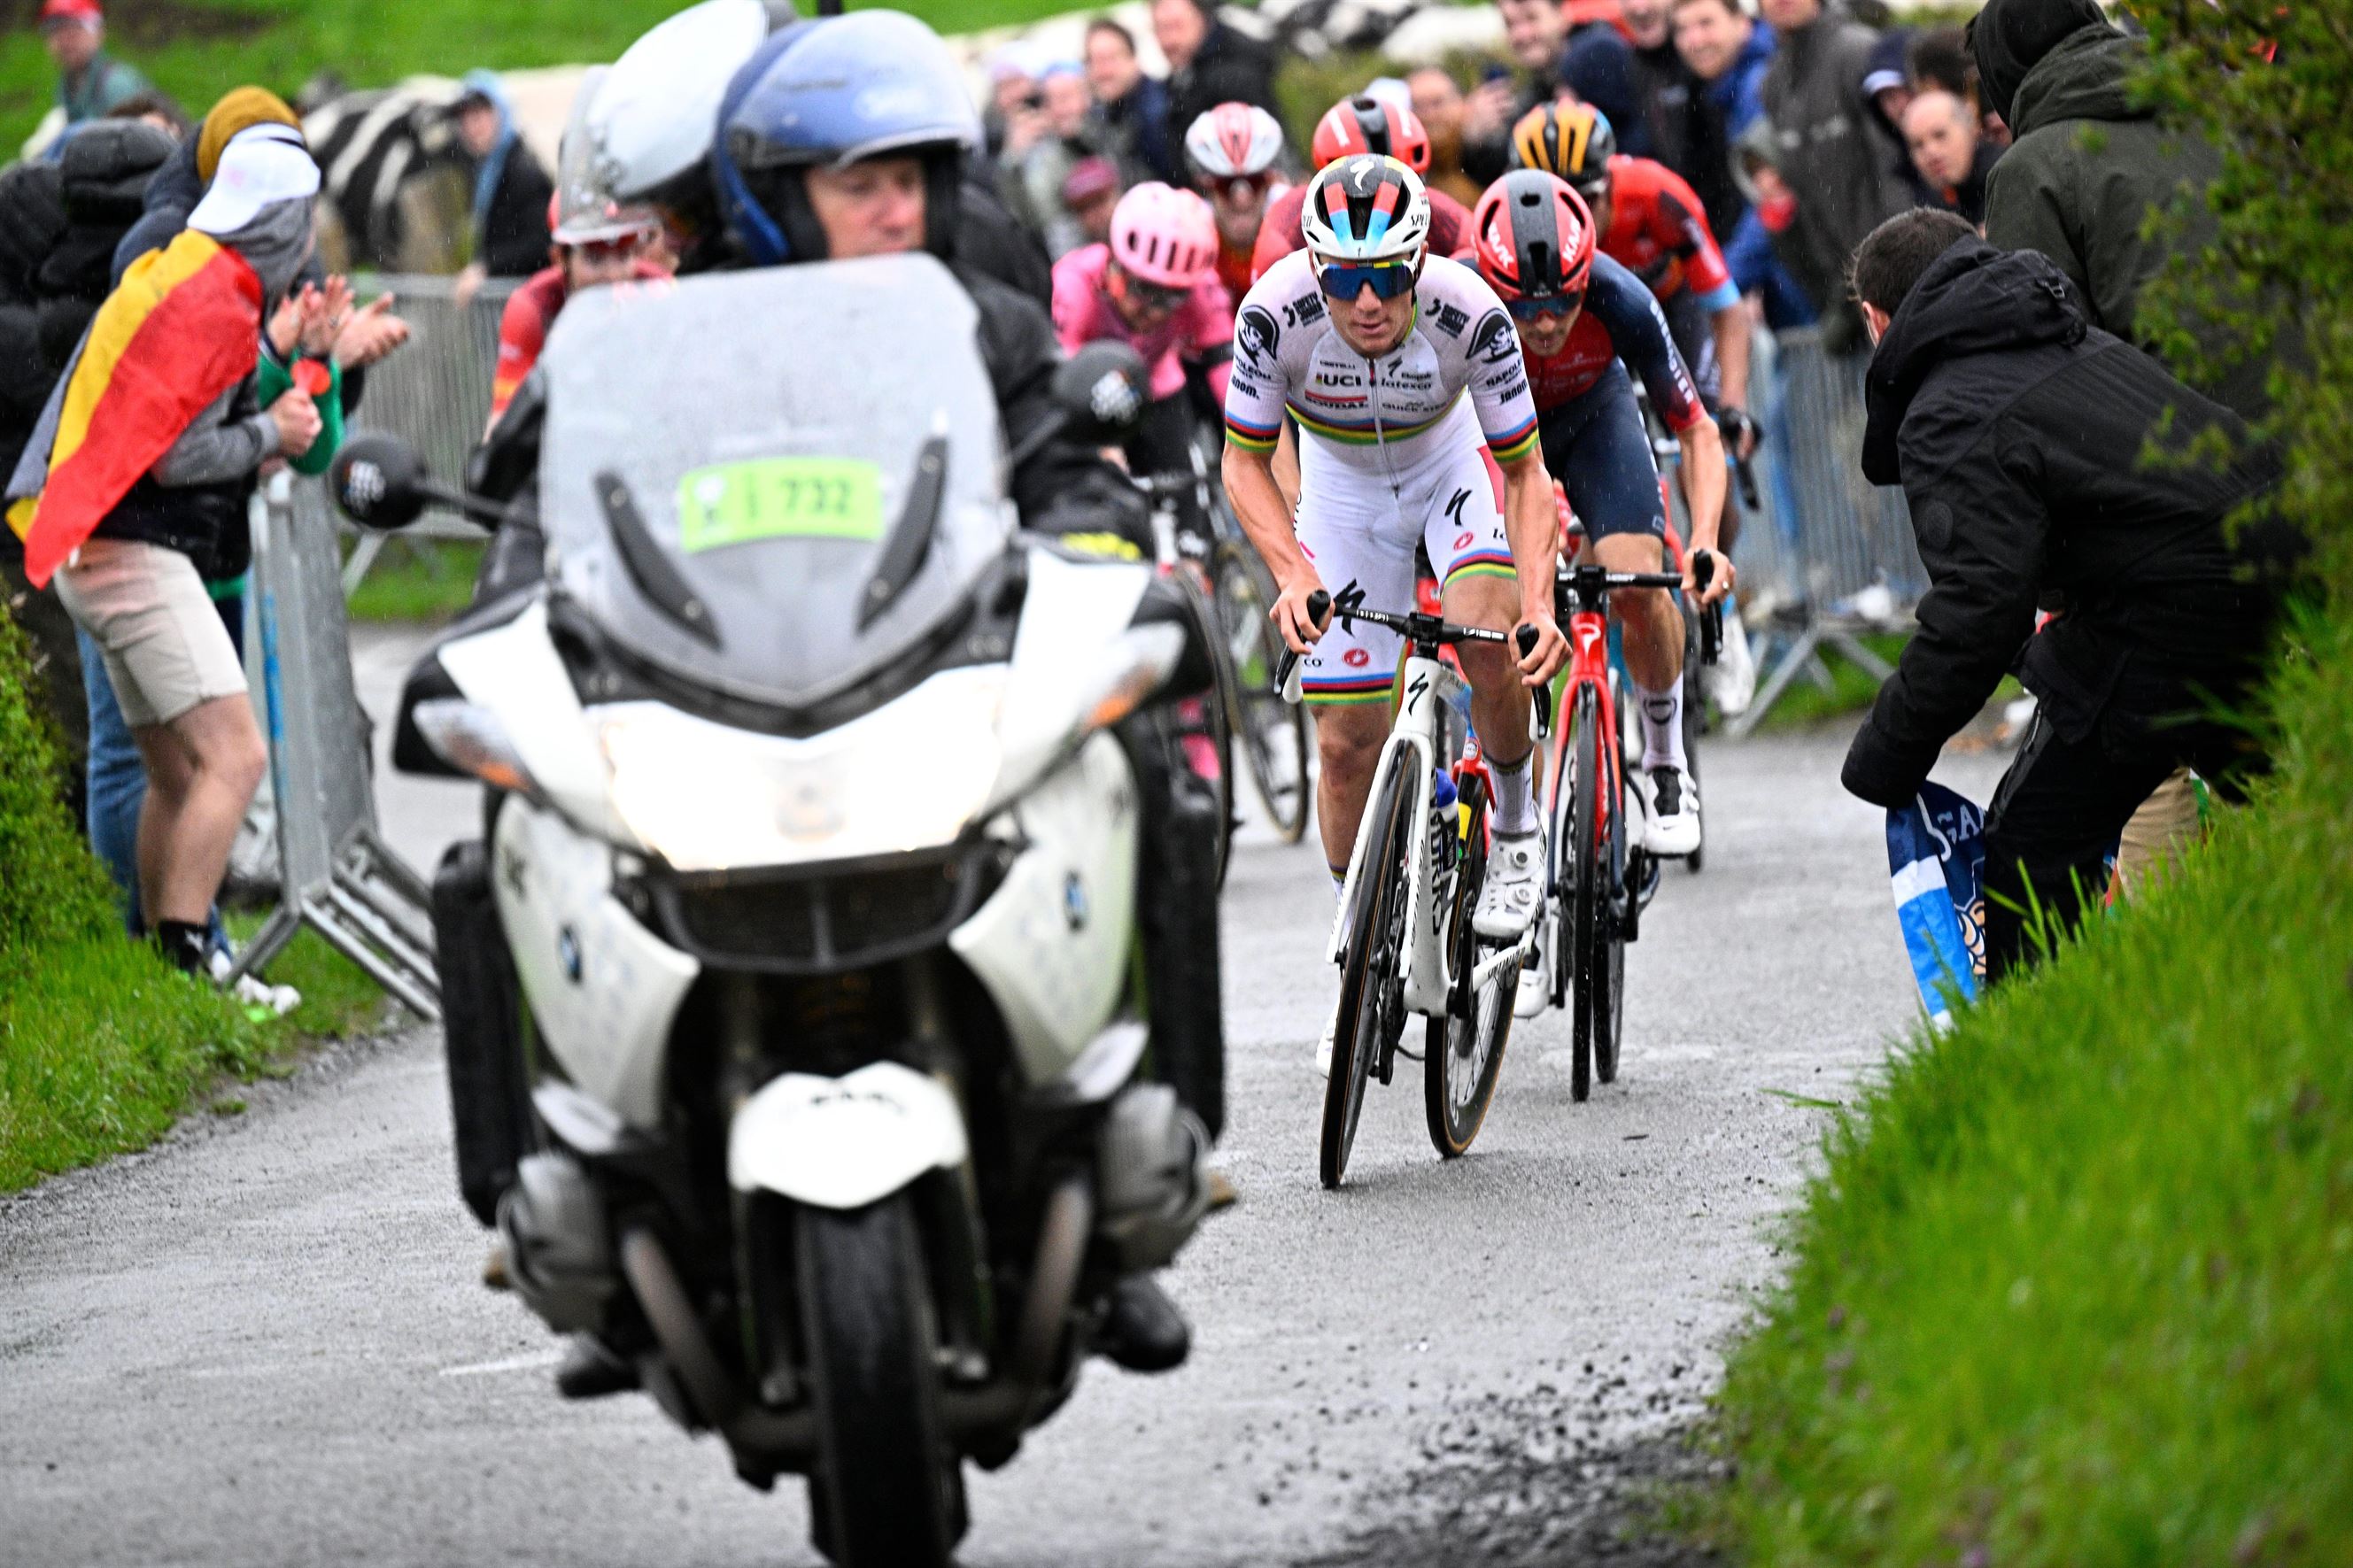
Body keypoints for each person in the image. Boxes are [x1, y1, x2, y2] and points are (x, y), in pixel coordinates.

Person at [1839, 210, 2287, 982]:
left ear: (1877, 321)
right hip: (2264, 560)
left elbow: (1980, 607)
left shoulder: (1949, 406)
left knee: (2032, 852)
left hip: (2165, 603)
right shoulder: (2063, 338)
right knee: (2294, 803)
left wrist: (1885, 751)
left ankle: (2041, 1053)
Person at [1222, 154, 1573, 1071]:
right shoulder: (1272, 313)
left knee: (1489, 644)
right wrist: (1291, 572)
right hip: (1340, 494)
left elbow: (1527, 472)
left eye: (1386, 278)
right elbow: (1241, 462)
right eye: (1342, 278)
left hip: (1445, 472)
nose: (1365, 301)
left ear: (1419, 267)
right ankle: (1360, 932)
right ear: (1314, 268)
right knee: (1342, 746)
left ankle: (1514, 828)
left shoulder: (1470, 312)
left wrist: (1535, 603)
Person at [5, 127, 324, 979]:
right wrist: (274, 428)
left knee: (178, 773)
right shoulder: (219, 299)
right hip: (130, 550)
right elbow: (182, 455)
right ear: (279, 220)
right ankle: (194, 958)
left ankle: (161, 961)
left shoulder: (186, 271)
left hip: (90, 545)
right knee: (236, 756)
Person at [1471, 170, 1730, 866]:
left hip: (1593, 420)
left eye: (1562, 300)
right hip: (1497, 434)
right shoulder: (1456, 298)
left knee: (1635, 581)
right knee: (1485, 599)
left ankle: (1665, 765)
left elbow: (1697, 429)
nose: (1546, 322)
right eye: (1523, 309)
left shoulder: (1622, 297)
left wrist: (1703, 536)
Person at [1510, 101, 1759, 710]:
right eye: (1555, 194)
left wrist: (1730, 404)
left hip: (1660, 319)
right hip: (1563, 352)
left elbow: (1724, 310)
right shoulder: (1514, 235)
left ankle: (1715, 598)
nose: (1574, 214)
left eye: (1588, 196)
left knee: (1704, 449)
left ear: (1612, 179)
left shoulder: (1659, 198)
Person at [1756, 0, 1913, 351]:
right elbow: (1799, 204)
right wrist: (1838, 296)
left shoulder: (1858, 51)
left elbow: (1896, 171)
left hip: (1897, 283)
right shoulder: (1774, 82)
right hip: (1850, 294)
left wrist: (1895, 277)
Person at [1052, 182, 1233, 483]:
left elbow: (1232, 381)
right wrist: (1106, 450)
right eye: (1143, 288)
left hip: (1157, 382)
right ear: (1114, 265)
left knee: (1183, 487)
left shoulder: (1199, 286)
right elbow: (1062, 389)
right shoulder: (1075, 287)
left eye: (1171, 297)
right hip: (1089, 393)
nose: (1155, 311)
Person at [1250, 95, 1474, 282]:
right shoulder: (1287, 226)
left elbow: (1482, 261)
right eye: (1362, 200)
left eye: (1398, 196)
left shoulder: (1441, 213)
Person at [488, 196, 663, 428]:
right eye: (595, 259)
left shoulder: (659, 291)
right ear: (560, 259)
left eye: (623, 257)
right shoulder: (532, 308)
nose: (612, 276)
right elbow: (503, 424)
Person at [1670, 0, 1776, 245]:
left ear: (1741, 22)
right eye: (1681, 30)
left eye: (1706, 23)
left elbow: (1768, 202)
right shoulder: (1718, 89)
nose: (1693, 41)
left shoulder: (1756, 86)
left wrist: (1724, 279)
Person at [450, 70, 555, 301]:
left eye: (480, 114)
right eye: (465, 117)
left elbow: (541, 243)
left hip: (529, 307)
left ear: (502, 113)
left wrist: (488, 266)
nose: (471, 126)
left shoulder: (523, 172)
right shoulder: (486, 169)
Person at [1460, 0, 1575, 187]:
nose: (1521, 34)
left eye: (1532, 18)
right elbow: (1502, 179)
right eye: (1510, 24)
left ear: (1562, 15)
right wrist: (1476, 140)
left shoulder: (1602, 59)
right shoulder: (1534, 94)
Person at [1002, 61, 1108, 259]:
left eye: (1067, 97)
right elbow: (1031, 220)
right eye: (1052, 101)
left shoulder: (1108, 131)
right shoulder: (1041, 161)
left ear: (1086, 98)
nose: (1062, 109)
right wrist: (1013, 163)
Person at [1182, 103, 1287, 299]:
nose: (1241, 197)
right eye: (1225, 184)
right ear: (1207, 187)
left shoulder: (1295, 231)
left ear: (1269, 183)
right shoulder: (1187, 235)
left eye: (1254, 181)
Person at [1155, 0, 1280, 151]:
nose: (1169, 40)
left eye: (1177, 26)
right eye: (1159, 29)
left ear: (1201, 19)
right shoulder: (1186, 74)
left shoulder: (1232, 70)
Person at [1086, 17, 1180, 187]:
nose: (1103, 71)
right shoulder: (1106, 113)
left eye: (1110, 59)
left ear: (1133, 59)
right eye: (1094, 61)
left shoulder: (1158, 113)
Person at [40, 0, 152, 127]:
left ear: (99, 32)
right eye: (56, 32)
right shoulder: (67, 84)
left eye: (75, 30)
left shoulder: (117, 85)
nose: (65, 41)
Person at [1901, 89, 1997, 227]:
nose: (1931, 152)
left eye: (1940, 135)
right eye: (1918, 145)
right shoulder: (1931, 205)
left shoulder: (2007, 180)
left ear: (1971, 128)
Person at [1406, 67, 1480, 210]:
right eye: (1418, 107)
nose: (1429, 115)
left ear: (1463, 104)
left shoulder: (1489, 155)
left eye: (1437, 103)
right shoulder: (1406, 175)